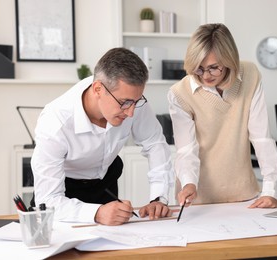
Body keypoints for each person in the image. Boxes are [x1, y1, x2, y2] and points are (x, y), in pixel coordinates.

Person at [31, 47, 174, 226]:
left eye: (136, 102)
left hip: (106, 186)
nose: (131, 113)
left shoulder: (132, 101)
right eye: (124, 103)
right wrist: (97, 213)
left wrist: (158, 198)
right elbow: (48, 201)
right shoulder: (55, 122)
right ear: (98, 89)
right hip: (63, 195)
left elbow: (155, 144)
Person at [168, 23, 277, 209]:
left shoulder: (250, 75)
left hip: (244, 195)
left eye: (213, 67)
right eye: (199, 68)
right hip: (197, 198)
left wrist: (270, 190)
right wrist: (188, 183)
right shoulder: (180, 93)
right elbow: (186, 149)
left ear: (229, 60)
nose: (205, 76)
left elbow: (261, 137)